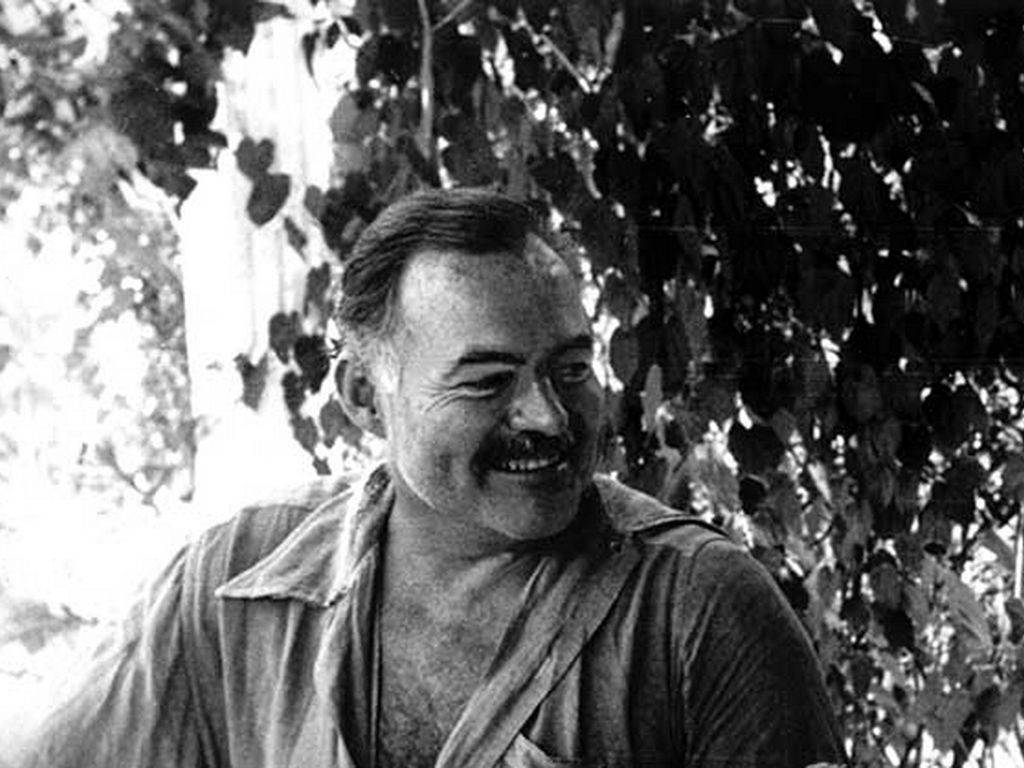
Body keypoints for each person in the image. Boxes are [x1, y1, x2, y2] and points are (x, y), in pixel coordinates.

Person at [5, 188, 845, 767]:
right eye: (487, 382)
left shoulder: (699, 609)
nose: (548, 418)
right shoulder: (233, 580)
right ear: (362, 397)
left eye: (571, 369)